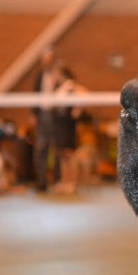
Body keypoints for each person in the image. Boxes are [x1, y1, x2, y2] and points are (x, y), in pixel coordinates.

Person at [51, 64, 89, 195]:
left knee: (70, 154)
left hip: (67, 123)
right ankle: (64, 182)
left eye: (56, 73)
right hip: (59, 123)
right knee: (62, 155)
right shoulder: (59, 87)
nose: (54, 75)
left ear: (62, 73)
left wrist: (77, 110)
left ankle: (72, 184)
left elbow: (85, 94)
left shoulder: (71, 85)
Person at [32, 48, 58, 192]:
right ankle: (41, 181)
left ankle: (57, 180)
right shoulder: (39, 75)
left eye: (49, 59)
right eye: (44, 59)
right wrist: (34, 115)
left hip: (55, 116)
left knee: (57, 149)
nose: (46, 62)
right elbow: (35, 95)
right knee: (41, 148)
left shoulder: (58, 75)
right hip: (42, 114)